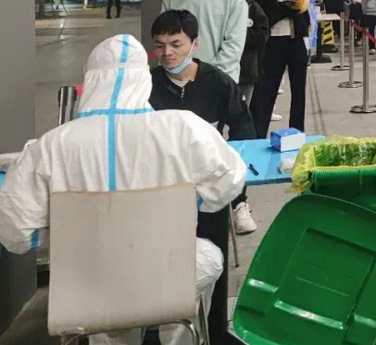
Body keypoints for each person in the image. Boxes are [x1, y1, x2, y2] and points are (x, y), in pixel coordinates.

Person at [0, 34, 247, 345]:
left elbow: (15, 232)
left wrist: (61, 231)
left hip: (85, 287)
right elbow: (229, 182)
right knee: (206, 256)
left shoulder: (50, 146)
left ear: (89, 81)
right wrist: (193, 200)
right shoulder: (184, 128)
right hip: (165, 278)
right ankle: (178, 333)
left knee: (105, 309)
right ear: (144, 80)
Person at [149, 10, 259, 240]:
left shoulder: (218, 83)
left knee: (212, 245)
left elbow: (243, 130)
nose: (167, 53)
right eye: (160, 46)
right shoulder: (147, 84)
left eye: (176, 44)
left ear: (194, 44)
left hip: (209, 182)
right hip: (161, 182)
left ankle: (239, 205)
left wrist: (231, 176)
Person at [255, 0, 311, 137]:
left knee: (298, 91)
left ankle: (296, 134)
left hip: (296, 39)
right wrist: (284, 6)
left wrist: (276, 8)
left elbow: (299, 5)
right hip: (272, 41)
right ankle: (259, 135)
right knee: (267, 92)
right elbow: (263, 12)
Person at [219, 0, 270, 104]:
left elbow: (262, 34)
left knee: (241, 110)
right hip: (219, 70)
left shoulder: (252, 7)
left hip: (246, 70)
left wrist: (237, 34)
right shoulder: (213, 7)